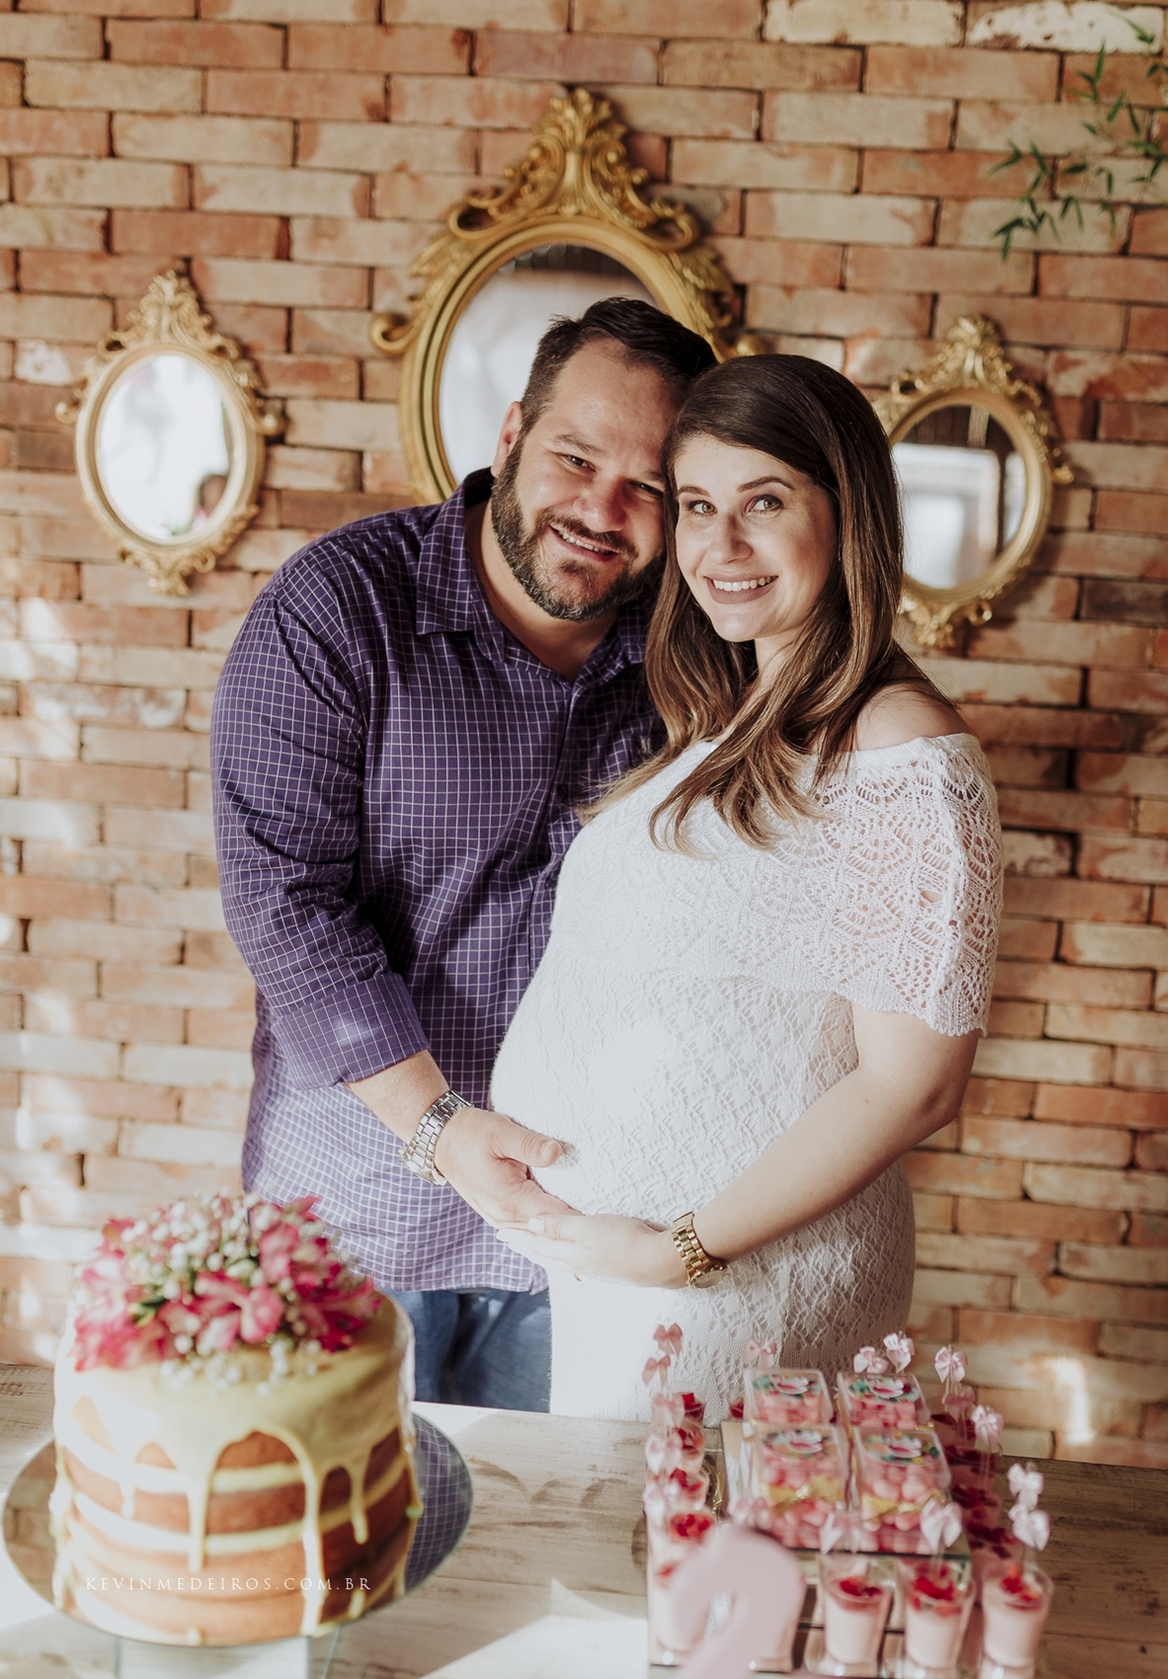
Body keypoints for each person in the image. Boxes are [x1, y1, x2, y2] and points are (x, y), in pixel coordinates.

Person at [211, 300, 717, 1410]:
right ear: (509, 439)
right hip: (356, 1208)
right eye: (576, 458)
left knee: (536, 1560)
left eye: (649, 489)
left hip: (580, 1225)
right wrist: (439, 1128)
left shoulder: (700, 653)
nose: (602, 510)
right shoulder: (337, 609)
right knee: (332, 1544)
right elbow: (282, 900)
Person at [492, 353, 1004, 1420]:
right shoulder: (730, 713)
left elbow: (914, 1083)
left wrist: (679, 1246)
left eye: (763, 502)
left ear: (848, 513)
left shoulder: (902, 748)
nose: (718, 546)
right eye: (696, 505)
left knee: (693, 1578)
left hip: (735, 1285)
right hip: (631, 1275)